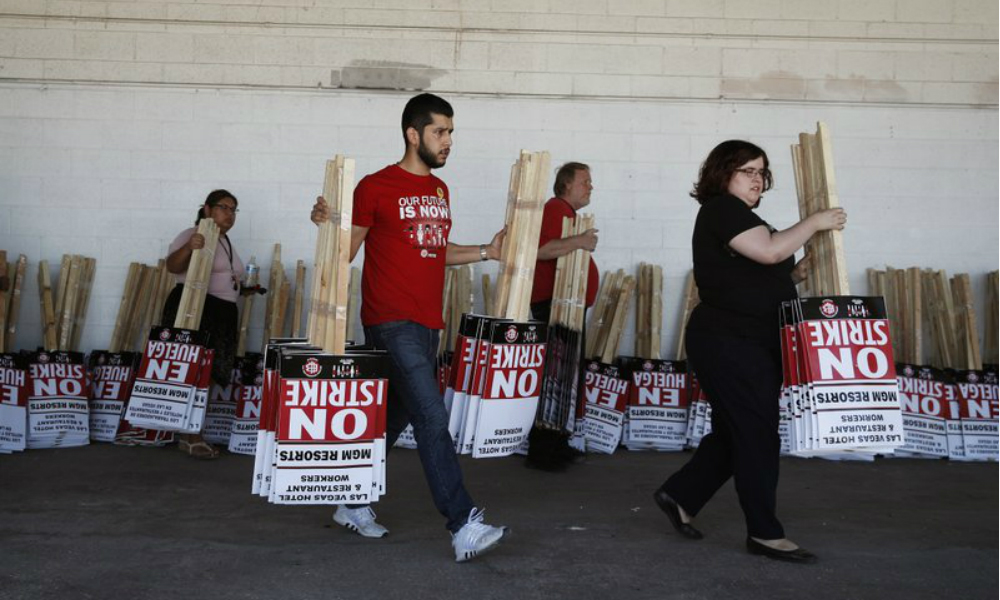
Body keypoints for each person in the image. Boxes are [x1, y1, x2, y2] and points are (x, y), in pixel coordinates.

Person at [310, 93, 509, 563]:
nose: (449, 141)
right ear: (413, 134)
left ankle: (352, 499)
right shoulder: (375, 187)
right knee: (432, 417)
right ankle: (463, 524)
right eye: (441, 132)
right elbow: (344, 254)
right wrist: (327, 223)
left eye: (452, 132)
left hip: (427, 324)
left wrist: (486, 251)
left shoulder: (439, 191)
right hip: (390, 321)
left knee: (394, 420)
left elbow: (436, 250)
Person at [652, 140, 846, 564]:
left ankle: (680, 495)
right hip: (729, 341)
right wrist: (815, 221)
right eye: (747, 171)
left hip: (746, 339)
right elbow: (770, 250)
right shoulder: (723, 209)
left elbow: (756, 275)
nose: (757, 179)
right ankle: (764, 532)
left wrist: (796, 274)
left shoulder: (744, 217)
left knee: (734, 430)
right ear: (723, 174)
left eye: (761, 171)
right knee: (757, 433)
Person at [525, 162, 599, 471]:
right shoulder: (555, 208)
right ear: (566, 185)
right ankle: (543, 451)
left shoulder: (566, 213)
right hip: (554, 306)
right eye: (585, 181)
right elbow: (539, 250)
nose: (590, 187)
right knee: (554, 379)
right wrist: (579, 241)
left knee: (564, 379)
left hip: (566, 306)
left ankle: (557, 442)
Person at [164, 189, 247, 459]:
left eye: (234, 209)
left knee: (211, 374)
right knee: (194, 371)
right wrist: (190, 246)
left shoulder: (225, 241)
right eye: (224, 207)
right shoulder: (192, 234)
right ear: (208, 210)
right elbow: (172, 266)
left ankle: (193, 431)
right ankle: (190, 435)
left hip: (223, 312)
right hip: (196, 308)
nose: (230, 214)